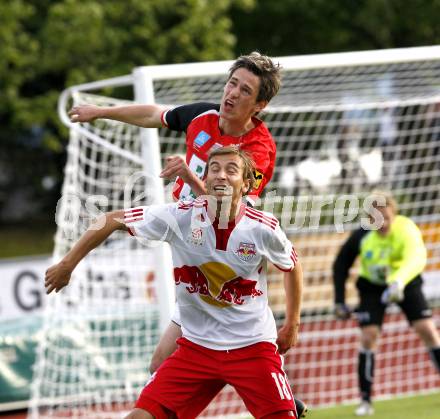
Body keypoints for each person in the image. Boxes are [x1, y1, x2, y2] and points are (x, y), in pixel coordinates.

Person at [68, 52, 308, 417]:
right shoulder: (204, 117)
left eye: (244, 91)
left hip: (228, 254)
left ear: (259, 105)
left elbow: (226, 207)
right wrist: (100, 112)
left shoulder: (259, 150)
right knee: (159, 366)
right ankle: (277, 397)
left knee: (198, 352)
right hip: (192, 243)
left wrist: (187, 175)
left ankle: (278, 397)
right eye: (231, 83)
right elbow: (154, 115)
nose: (231, 94)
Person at [45, 146, 304, 419]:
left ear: (246, 185)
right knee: (140, 415)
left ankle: (285, 405)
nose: (221, 176)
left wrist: (292, 323)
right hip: (198, 347)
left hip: (252, 347)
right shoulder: (179, 216)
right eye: (214, 169)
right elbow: (110, 219)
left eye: (231, 170)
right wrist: (67, 264)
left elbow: (292, 265)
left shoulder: (263, 227)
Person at [333, 190, 440, 416]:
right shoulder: (361, 236)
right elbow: (340, 265)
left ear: (394, 214)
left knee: (428, 330)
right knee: (368, 336)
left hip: (405, 281)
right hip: (372, 287)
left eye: (387, 218)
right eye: (376, 219)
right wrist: (340, 301)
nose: (383, 224)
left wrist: (398, 283)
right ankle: (365, 401)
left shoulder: (407, 228)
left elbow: (416, 257)